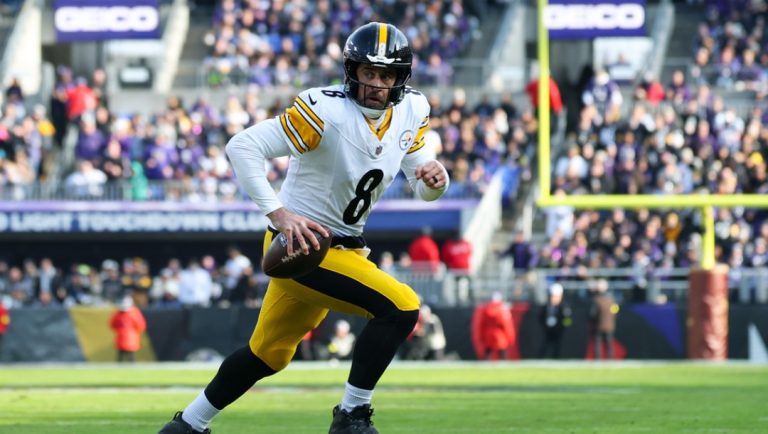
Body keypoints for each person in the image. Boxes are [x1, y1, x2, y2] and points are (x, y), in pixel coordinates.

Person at [158, 22, 449, 434]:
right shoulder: (326, 111)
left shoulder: (412, 110)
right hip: (302, 246)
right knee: (400, 308)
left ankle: (186, 426)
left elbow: (419, 175)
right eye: (368, 72)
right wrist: (277, 214)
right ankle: (351, 415)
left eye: (386, 75)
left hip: (344, 249)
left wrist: (433, 178)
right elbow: (242, 146)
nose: (376, 84)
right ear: (351, 71)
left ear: (400, 79)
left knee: (268, 354)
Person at [471, 292, 516, 361]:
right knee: (503, 353)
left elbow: (481, 324)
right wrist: (510, 337)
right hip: (500, 334)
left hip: (488, 334)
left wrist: (481, 336)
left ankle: (485, 367)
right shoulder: (502, 309)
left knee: (488, 352)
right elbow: (506, 325)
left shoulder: (485, 309)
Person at [538, 283, 572, 359]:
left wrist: (560, 325)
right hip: (548, 331)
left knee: (558, 347)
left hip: (560, 332)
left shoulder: (565, 307)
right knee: (545, 347)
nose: (553, 298)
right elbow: (540, 318)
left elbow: (568, 321)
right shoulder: (546, 306)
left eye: (556, 296)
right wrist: (546, 324)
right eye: (552, 296)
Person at [109, 296, 147, 363]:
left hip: (128, 338)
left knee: (125, 358)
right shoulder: (132, 313)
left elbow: (112, 325)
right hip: (127, 337)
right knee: (126, 358)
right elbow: (141, 325)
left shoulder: (132, 313)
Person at [588, 279, 618, 360]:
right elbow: (615, 311)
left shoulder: (596, 300)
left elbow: (592, 314)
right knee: (609, 344)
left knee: (598, 344)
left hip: (599, 325)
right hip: (610, 325)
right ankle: (610, 359)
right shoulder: (611, 299)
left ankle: (598, 360)